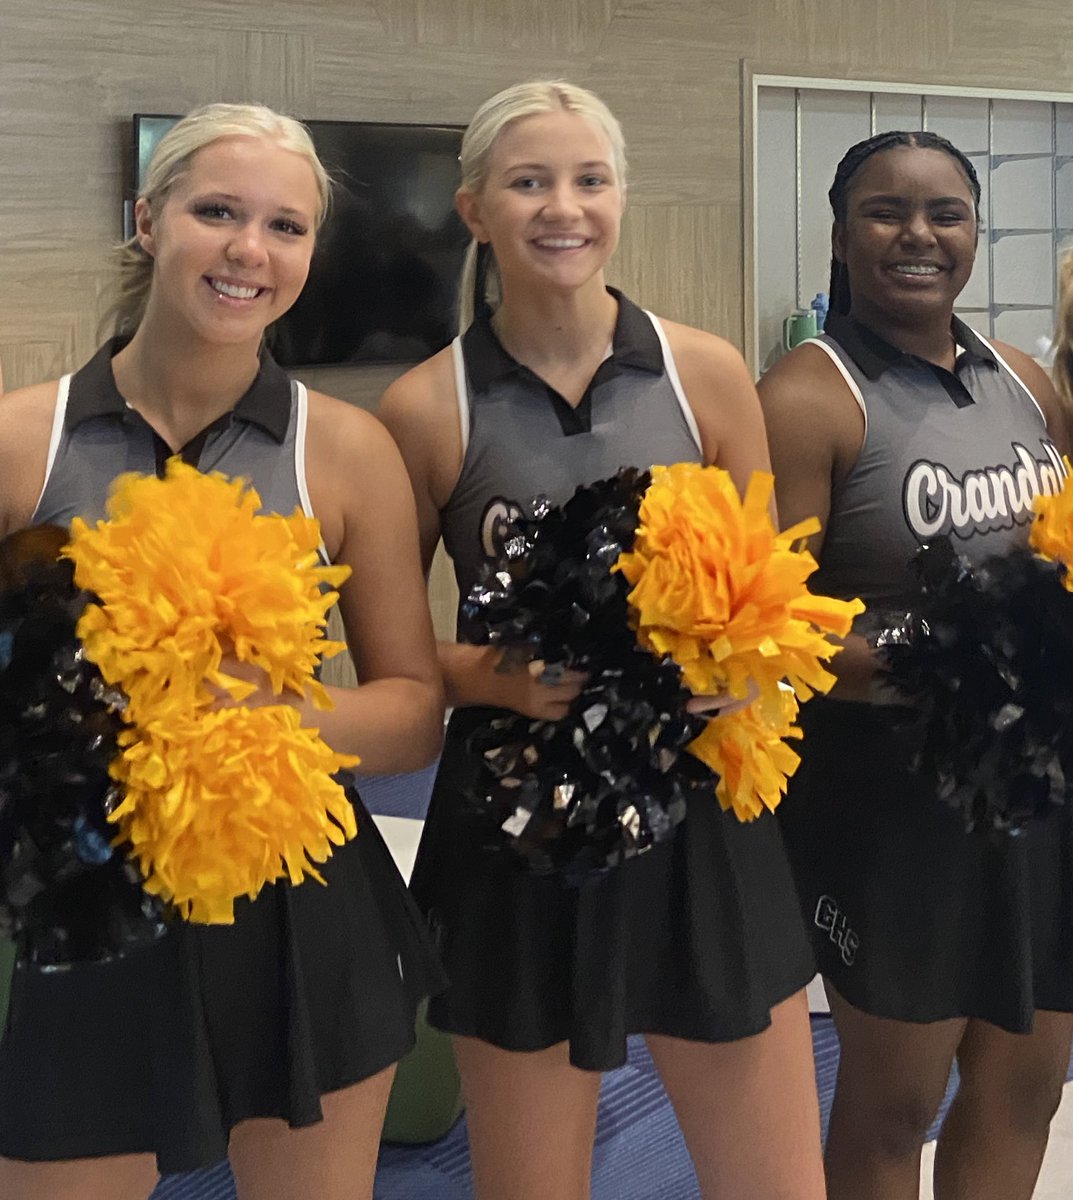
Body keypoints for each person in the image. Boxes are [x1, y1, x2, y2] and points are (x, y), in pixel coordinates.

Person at [377, 79, 825, 1200]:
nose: (562, 208)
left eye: (589, 180)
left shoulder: (702, 371)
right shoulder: (425, 409)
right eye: (528, 183)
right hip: (516, 818)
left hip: (697, 803)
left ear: (621, 196)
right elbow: (391, 659)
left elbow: (772, 591)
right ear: (475, 210)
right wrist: (496, 675)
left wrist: (743, 667)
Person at [0, 102, 445, 1200]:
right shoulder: (20, 441)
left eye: (285, 227)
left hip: (296, 907)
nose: (251, 249)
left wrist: (279, 715)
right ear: (147, 219)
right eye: (217, 212)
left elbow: (410, 712)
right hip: (80, 905)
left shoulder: (348, 452)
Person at [759, 129, 1073, 1200]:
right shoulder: (804, 397)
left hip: (1036, 784)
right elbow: (774, 637)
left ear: (973, 231)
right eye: (885, 211)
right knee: (895, 1103)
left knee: (1026, 1081)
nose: (917, 235)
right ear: (841, 234)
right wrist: (948, 658)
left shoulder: (1023, 381)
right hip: (887, 800)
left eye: (945, 213)